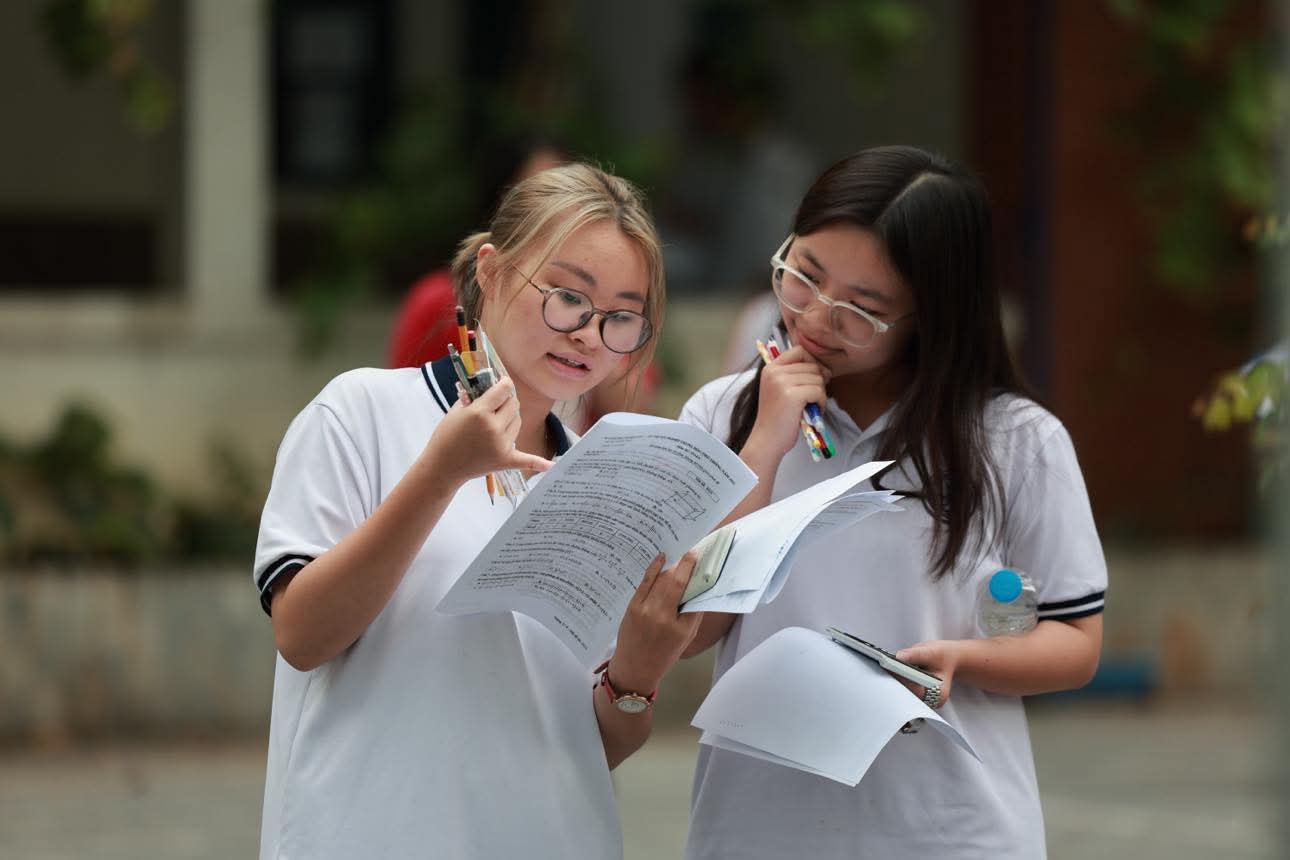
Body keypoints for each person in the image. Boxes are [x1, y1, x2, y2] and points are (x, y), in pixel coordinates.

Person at [254, 163, 700, 860]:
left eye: (621, 317)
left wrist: (638, 673)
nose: (588, 333)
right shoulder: (362, 412)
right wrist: (438, 475)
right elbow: (302, 633)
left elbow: (588, 746)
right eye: (567, 297)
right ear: (491, 272)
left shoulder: (605, 481)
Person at [677, 146, 1107, 858]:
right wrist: (763, 445)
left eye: (860, 310)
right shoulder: (721, 414)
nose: (814, 317)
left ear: (928, 318)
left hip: (946, 831)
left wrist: (962, 662)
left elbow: (1076, 642)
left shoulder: (1014, 441)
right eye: (802, 275)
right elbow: (692, 631)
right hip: (757, 826)